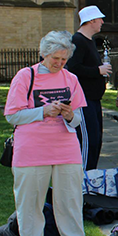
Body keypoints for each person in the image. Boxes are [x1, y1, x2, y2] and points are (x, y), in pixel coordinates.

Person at [4, 31, 87, 236]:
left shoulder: (71, 78)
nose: (59, 63)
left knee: (71, 206)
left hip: (66, 151)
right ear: (44, 54)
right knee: (30, 209)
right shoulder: (26, 75)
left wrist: (68, 115)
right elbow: (12, 115)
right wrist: (43, 111)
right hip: (32, 151)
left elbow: (77, 120)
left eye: (64, 59)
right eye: (55, 58)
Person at [66, 5, 112, 170]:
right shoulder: (77, 41)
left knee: (96, 140)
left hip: (93, 99)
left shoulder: (89, 41)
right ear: (91, 20)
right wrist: (97, 71)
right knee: (88, 140)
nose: (102, 22)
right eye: (99, 19)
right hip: (83, 101)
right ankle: (83, 180)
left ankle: (91, 176)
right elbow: (73, 69)